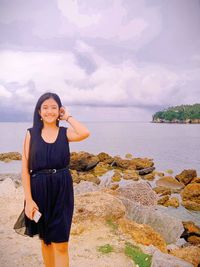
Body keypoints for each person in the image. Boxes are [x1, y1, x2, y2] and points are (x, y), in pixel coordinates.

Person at [21, 92, 90, 267]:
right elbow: (24, 170)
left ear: (59, 110)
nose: (49, 111)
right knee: (45, 241)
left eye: (54, 107)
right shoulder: (31, 134)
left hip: (62, 190)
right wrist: (29, 200)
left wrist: (68, 117)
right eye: (45, 107)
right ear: (39, 111)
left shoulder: (65, 133)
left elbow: (85, 133)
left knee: (61, 244)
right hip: (39, 191)